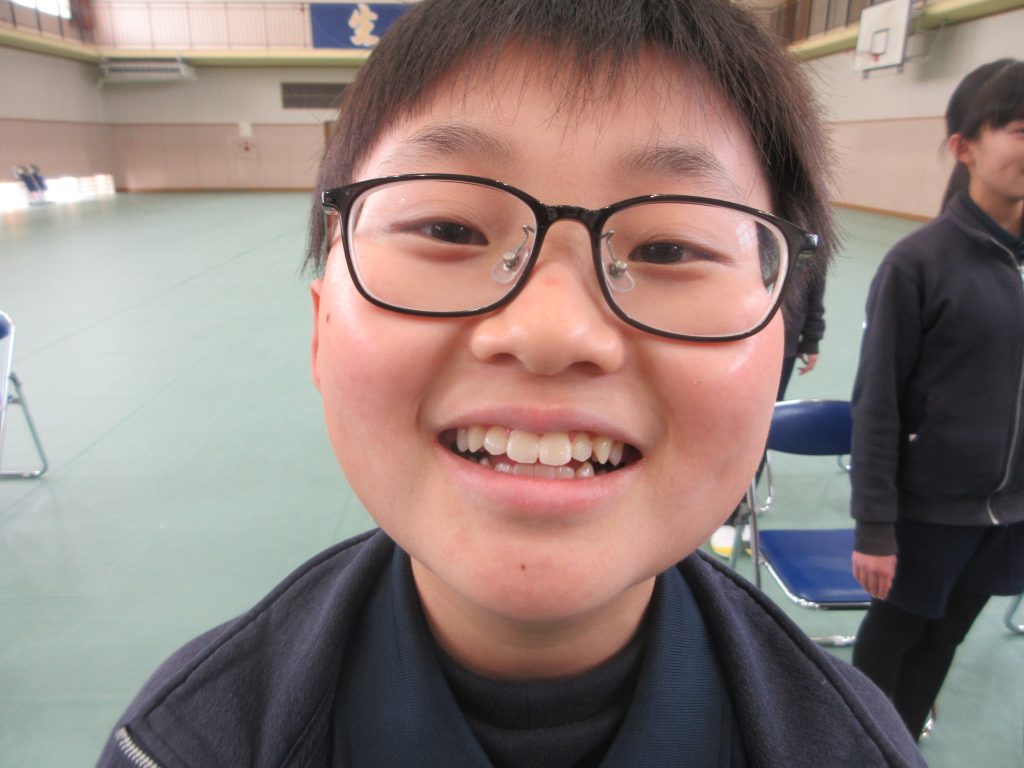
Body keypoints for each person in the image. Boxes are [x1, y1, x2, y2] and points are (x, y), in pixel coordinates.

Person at [97, 1, 925, 765]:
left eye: (668, 248)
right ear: (322, 328)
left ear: (780, 349)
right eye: (449, 228)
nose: (550, 330)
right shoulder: (179, 749)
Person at [850, 58, 1024, 741]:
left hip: (1008, 516)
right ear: (965, 147)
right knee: (895, 636)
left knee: (945, 639)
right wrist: (874, 526)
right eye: (1020, 130)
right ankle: (859, 742)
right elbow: (877, 404)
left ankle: (898, 745)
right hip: (927, 513)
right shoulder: (918, 263)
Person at [709, 271, 827, 558]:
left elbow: (815, 285)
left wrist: (811, 339)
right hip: (728, 337)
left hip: (782, 345)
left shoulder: (811, 248)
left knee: (759, 426)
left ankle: (734, 513)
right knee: (717, 417)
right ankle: (701, 495)